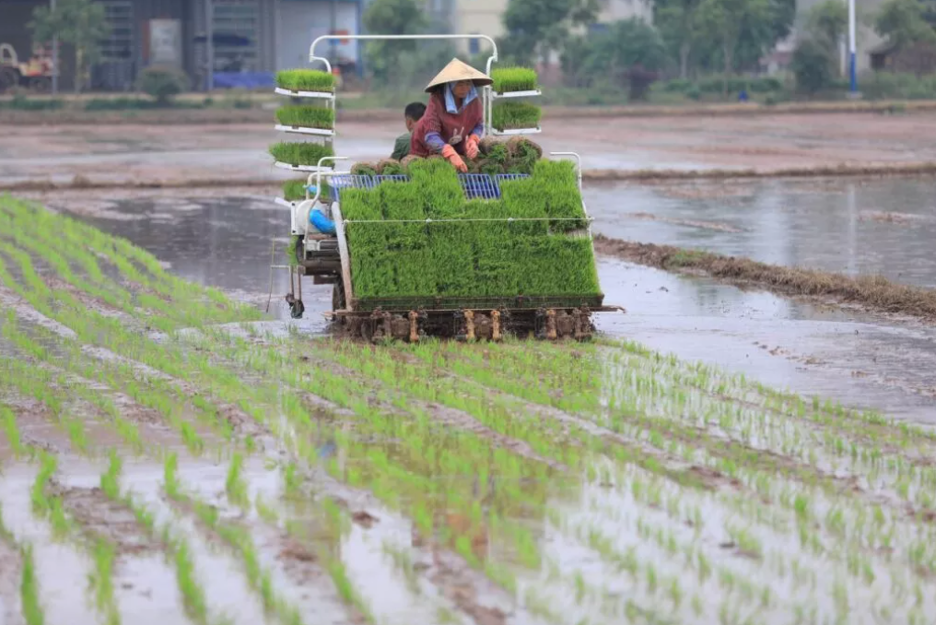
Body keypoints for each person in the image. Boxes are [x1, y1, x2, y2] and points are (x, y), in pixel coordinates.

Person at [409, 58, 492, 173]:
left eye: (468, 83)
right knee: (426, 172)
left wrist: (472, 140)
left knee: (458, 171)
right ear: (451, 84)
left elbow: (478, 125)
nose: (465, 88)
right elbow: (431, 136)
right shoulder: (437, 99)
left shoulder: (473, 100)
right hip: (424, 145)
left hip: (456, 143)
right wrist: (449, 152)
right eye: (460, 84)